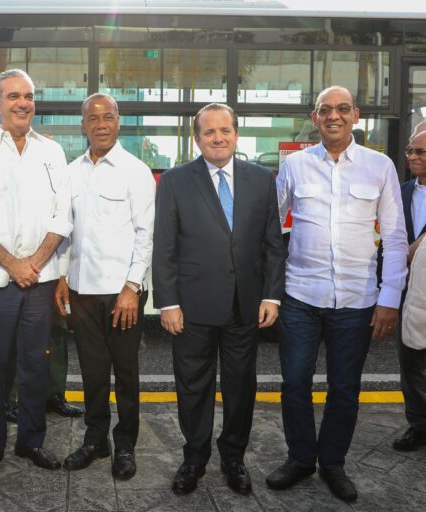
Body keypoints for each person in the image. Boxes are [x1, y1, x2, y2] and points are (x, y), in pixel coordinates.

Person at [266, 86, 408, 502]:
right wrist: (272, 293)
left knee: (345, 389)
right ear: (315, 118)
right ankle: (300, 459)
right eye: (325, 110)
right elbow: (273, 233)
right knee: (294, 384)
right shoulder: (293, 165)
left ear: (356, 115)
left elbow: (396, 238)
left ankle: (332, 463)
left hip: (357, 299)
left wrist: (389, 298)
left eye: (342, 109)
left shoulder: (378, 166)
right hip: (299, 296)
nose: (334, 116)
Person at [152, 103, 285, 496]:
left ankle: (234, 458)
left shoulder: (261, 179)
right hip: (191, 308)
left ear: (236, 134)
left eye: (224, 130)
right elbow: (165, 246)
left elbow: (272, 243)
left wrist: (271, 296)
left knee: (242, 386)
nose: (218, 138)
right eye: (209, 132)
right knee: (193, 386)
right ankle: (194, 458)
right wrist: (168, 303)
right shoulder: (175, 181)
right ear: (197, 139)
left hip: (245, 306)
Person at [0, 68, 72, 482]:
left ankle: (31, 441)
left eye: (28, 96)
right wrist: (14, 264)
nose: (23, 103)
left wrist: (36, 263)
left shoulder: (52, 152)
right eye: (13, 96)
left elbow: (64, 214)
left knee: (35, 366)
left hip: (39, 281)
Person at [55, 93, 155, 479]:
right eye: (93, 118)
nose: (100, 124)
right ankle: (96, 439)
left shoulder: (136, 171)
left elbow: (146, 235)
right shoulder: (70, 172)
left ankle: (125, 444)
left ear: (118, 122)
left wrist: (132, 287)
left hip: (122, 294)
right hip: (81, 291)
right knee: (93, 373)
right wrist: (62, 277)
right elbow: (64, 231)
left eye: (108, 117)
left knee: (126, 373)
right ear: (84, 125)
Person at [392, 129, 426, 451]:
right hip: (408, 292)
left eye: (421, 152)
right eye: (410, 150)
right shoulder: (400, 192)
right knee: (411, 362)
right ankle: (418, 425)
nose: (413, 157)